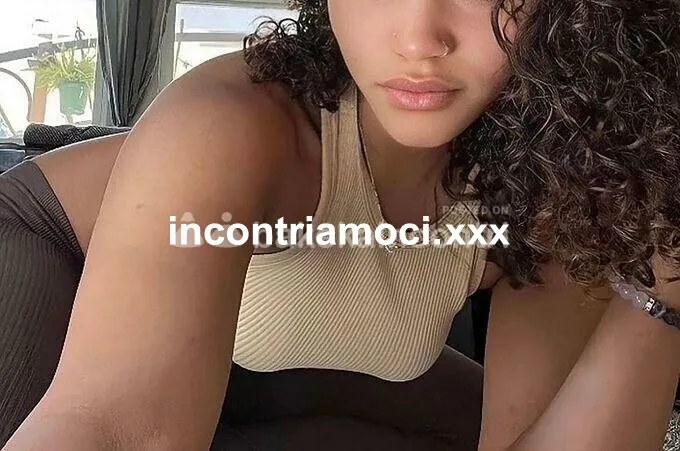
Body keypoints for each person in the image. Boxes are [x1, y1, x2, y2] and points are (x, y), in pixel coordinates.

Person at [1, 0, 679, 450]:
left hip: (269, 348)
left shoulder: (559, 179)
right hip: (47, 243)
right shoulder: (239, 123)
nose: (420, 40)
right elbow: (118, 423)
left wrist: (666, 276)